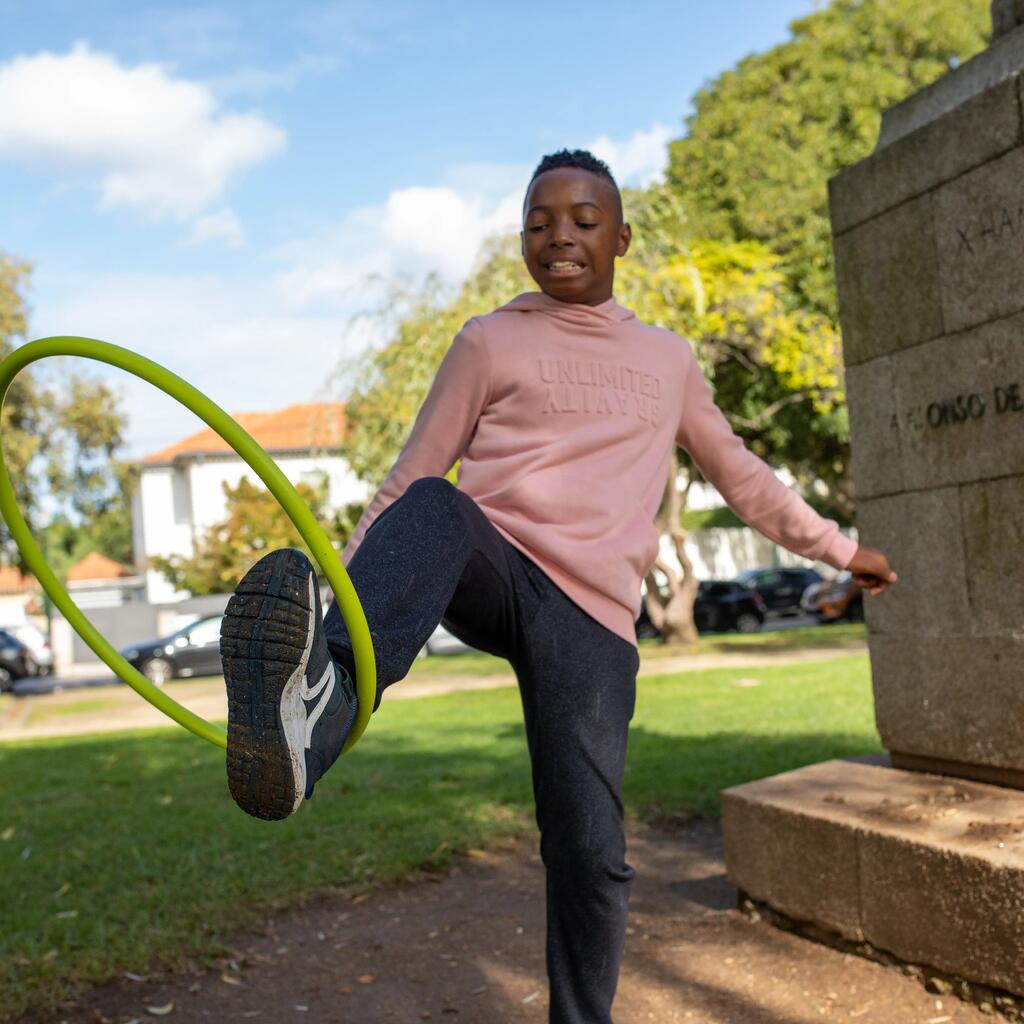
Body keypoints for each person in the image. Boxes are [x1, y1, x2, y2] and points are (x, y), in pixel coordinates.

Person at [218, 148, 898, 1024]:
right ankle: (321, 696)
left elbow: (747, 481)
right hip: (493, 564)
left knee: (589, 850)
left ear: (621, 237)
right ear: (522, 240)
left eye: (582, 221)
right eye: (539, 223)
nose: (560, 237)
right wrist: (336, 603)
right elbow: (405, 484)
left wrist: (843, 552)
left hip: (594, 618)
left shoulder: (667, 359)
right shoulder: (487, 339)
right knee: (434, 501)